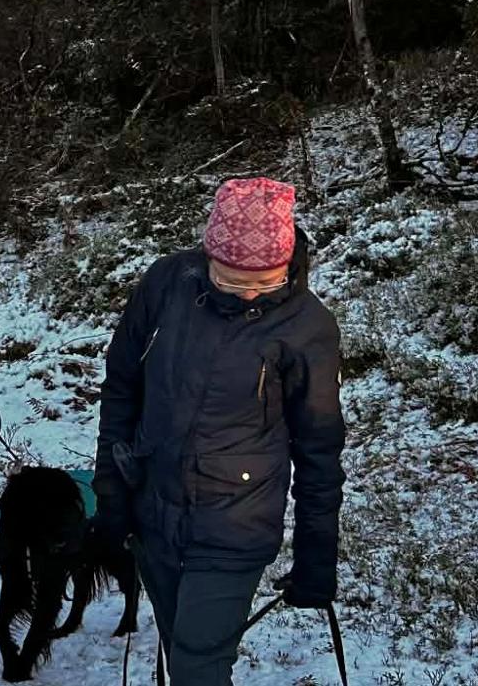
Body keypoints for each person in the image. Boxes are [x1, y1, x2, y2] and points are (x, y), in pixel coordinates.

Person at [88, 177, 345, 686]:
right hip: (155, 512)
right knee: (177, 645)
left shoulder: (307, 327)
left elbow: (319, 447)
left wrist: (317, 552)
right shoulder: (167, 284)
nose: (248, 291)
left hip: (236, 522)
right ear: (207, 256)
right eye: (229, 279)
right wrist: (111, 489)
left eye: (266, 281)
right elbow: (122, 385)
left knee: (196, 667)